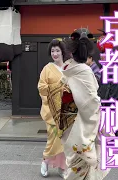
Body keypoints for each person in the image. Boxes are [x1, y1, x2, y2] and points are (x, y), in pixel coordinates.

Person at [61, 30, 112, 179]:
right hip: (83, 117)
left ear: (72, 54)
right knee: (86, 156)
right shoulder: (85, 71)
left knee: (74, 157)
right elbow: (91, 99)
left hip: (68, 118)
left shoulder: (67, 69)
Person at [38, 38, 71, 178]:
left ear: (62, 51)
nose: (55, 53)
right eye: (52, 51)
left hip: (67, 109)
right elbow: (41, 87)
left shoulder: (69, 67)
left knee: (65, 139)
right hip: (51, 109)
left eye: (57, 50)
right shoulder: (47, 68)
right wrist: (57, 88)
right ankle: (45, 161)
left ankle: (62, 167)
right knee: (53, 137)